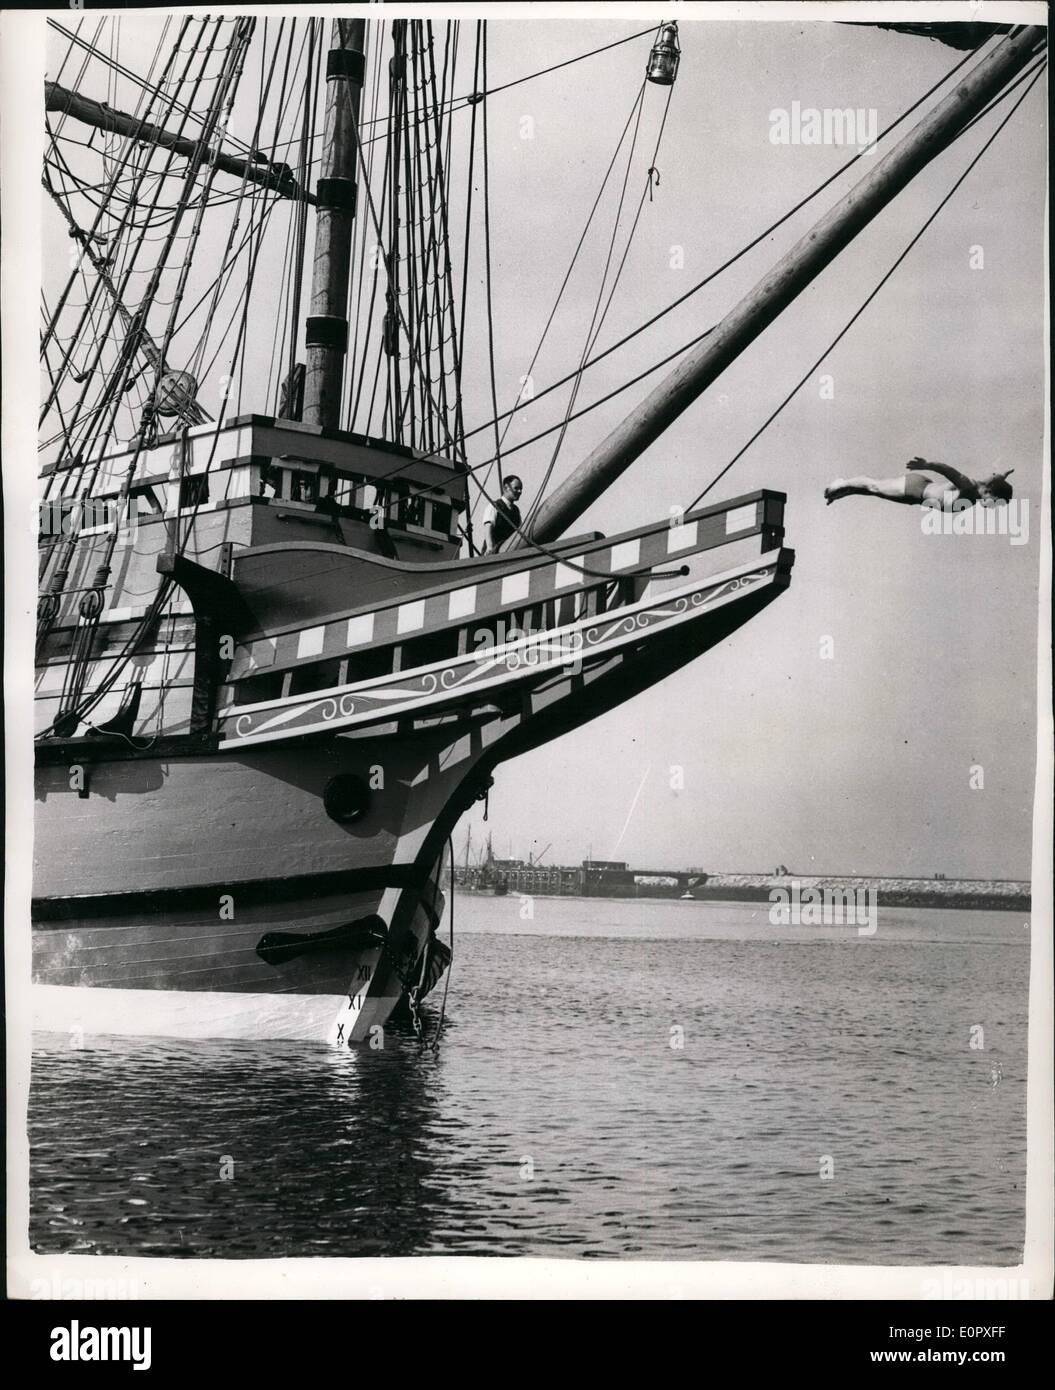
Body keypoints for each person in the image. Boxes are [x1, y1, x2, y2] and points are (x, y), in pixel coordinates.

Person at [824, 458, 1013, 509]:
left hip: (916, 496)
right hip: (917, 489)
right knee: (874, 486)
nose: (994, 507)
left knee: (875, 491)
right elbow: (948, 470)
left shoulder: (980, 489)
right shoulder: (970, 488)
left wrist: (1002, 476)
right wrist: (927, 465)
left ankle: (842, 491)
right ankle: (842, 483)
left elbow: (991, 480)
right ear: (990, 493)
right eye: (996, 503)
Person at [480, 475, 524, 553]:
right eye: (516, 488)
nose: (520, 491)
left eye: (521, 489)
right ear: (506, 487)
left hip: (510, 552)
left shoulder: (516, 511)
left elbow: (520, 531)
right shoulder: (494, 506)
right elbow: (488, 527)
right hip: (494, 552)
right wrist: (490, 547)